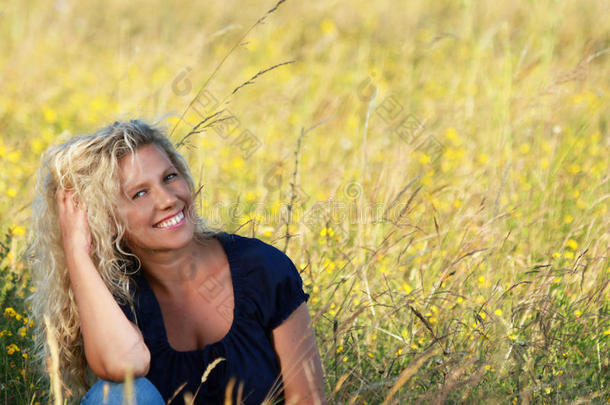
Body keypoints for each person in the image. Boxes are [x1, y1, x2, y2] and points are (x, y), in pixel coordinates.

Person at [25, 119, 326, 404]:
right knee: (122, 394)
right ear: (106, 221)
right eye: (139, 193)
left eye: (169, 177)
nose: (167, 199)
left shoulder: (262, 268)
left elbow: (309, 399)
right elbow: (124, 366)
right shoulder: (114, 294)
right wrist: (77, 251)